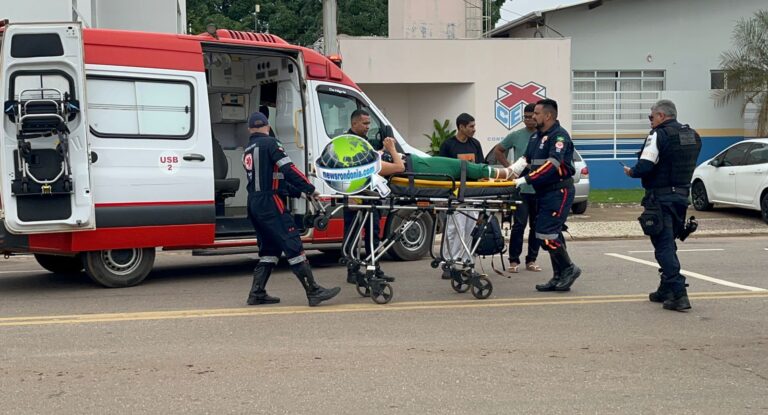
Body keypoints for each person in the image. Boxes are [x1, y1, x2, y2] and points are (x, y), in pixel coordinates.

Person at [243, 111, 340, 306]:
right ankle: (313, 291)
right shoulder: (271, 143)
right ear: (268, 127)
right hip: (271, 203)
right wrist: (309, 188)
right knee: (292, 241)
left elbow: (274, 180)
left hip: (254, 203)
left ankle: (257, 293)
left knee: (269, 248)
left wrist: (300, 193)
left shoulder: (248, 149)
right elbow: (289, 170)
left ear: (249, 130)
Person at [623, 99, 701, 311]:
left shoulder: (658, 134)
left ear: (662, 116)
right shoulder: (692, 135)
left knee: (663, 246)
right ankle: (665, 288)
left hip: (660, 198)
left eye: (651, 117)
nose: (650, 121)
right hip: (681, 198)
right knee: (669, 242)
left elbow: (646, 165)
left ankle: (679, 293)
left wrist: (632, 172)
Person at [511, 99, 581, 292]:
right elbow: (524, 161)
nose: (533, 117)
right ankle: (559, 276)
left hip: (559, 191)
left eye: (537, 113)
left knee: (545, 233)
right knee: (551, 233)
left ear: (548, 116)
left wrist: (526, 180)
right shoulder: (536, 137)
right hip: (544, 192)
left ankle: (568, 268)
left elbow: (552, 164)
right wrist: (509, 175)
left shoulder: (559, 136)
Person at [491, 103, 541, 273]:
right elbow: (498, 150)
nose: (528, 120)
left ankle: (532, 260)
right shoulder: (517, 135)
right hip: (521, 188)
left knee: (537, 225)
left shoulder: (545, 136)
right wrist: (510, 169)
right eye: (525, 117)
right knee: (519, 225)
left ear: (537, 116)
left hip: (540, 188)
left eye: (531, 116)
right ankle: (514, 260)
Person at [438, 113, 485, 278]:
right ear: (461, 127)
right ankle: (449, 263)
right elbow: (442, 169)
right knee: (453, 229)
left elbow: (480, 167)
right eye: (471, 126)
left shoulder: (475, 144)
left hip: (472, 193)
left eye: (474, 126)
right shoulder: (448, 145)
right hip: (455, 194)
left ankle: (465, 262)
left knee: (469, 230)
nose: (474, 129)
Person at [342, 109, 384, 284]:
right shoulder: (345, 143)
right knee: (352, 232)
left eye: (369, 123)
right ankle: (352, 271)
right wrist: (349, 195)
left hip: (369, 193)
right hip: (354, 193)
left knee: (373, 233)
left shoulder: (366, 142)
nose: (368, 127)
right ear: (354, 124)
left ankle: (373, 269)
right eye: (365, 123)